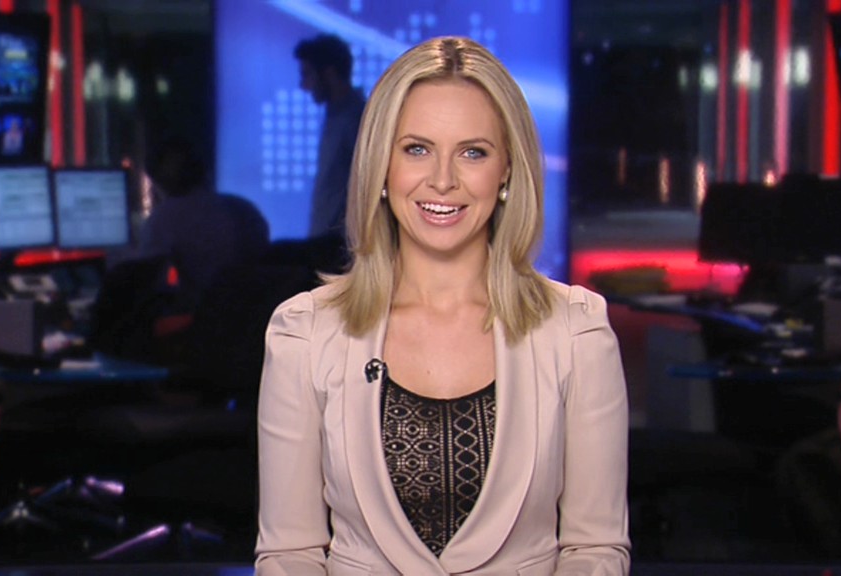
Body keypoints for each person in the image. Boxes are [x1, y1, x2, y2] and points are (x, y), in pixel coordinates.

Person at [256, 37, 630, 574]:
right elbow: (289, 554)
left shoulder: (576, 332)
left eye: (473, 152)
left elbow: (595, 550)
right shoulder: (305, 333)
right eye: (417, 149)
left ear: (506, 170)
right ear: (382, 165)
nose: (443, 180)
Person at [138, 135, 270, 304]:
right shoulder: (244, 208)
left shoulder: (164, 218)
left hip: (202, 314)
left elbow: (147, 278)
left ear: (157, 181)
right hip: (252, 311)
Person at [294, 34, 367, 252]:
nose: (303, 85)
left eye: (307, 74)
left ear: (329, 73)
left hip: (342, 250)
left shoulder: (357, 120)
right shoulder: (336, 117)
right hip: (327, 246)